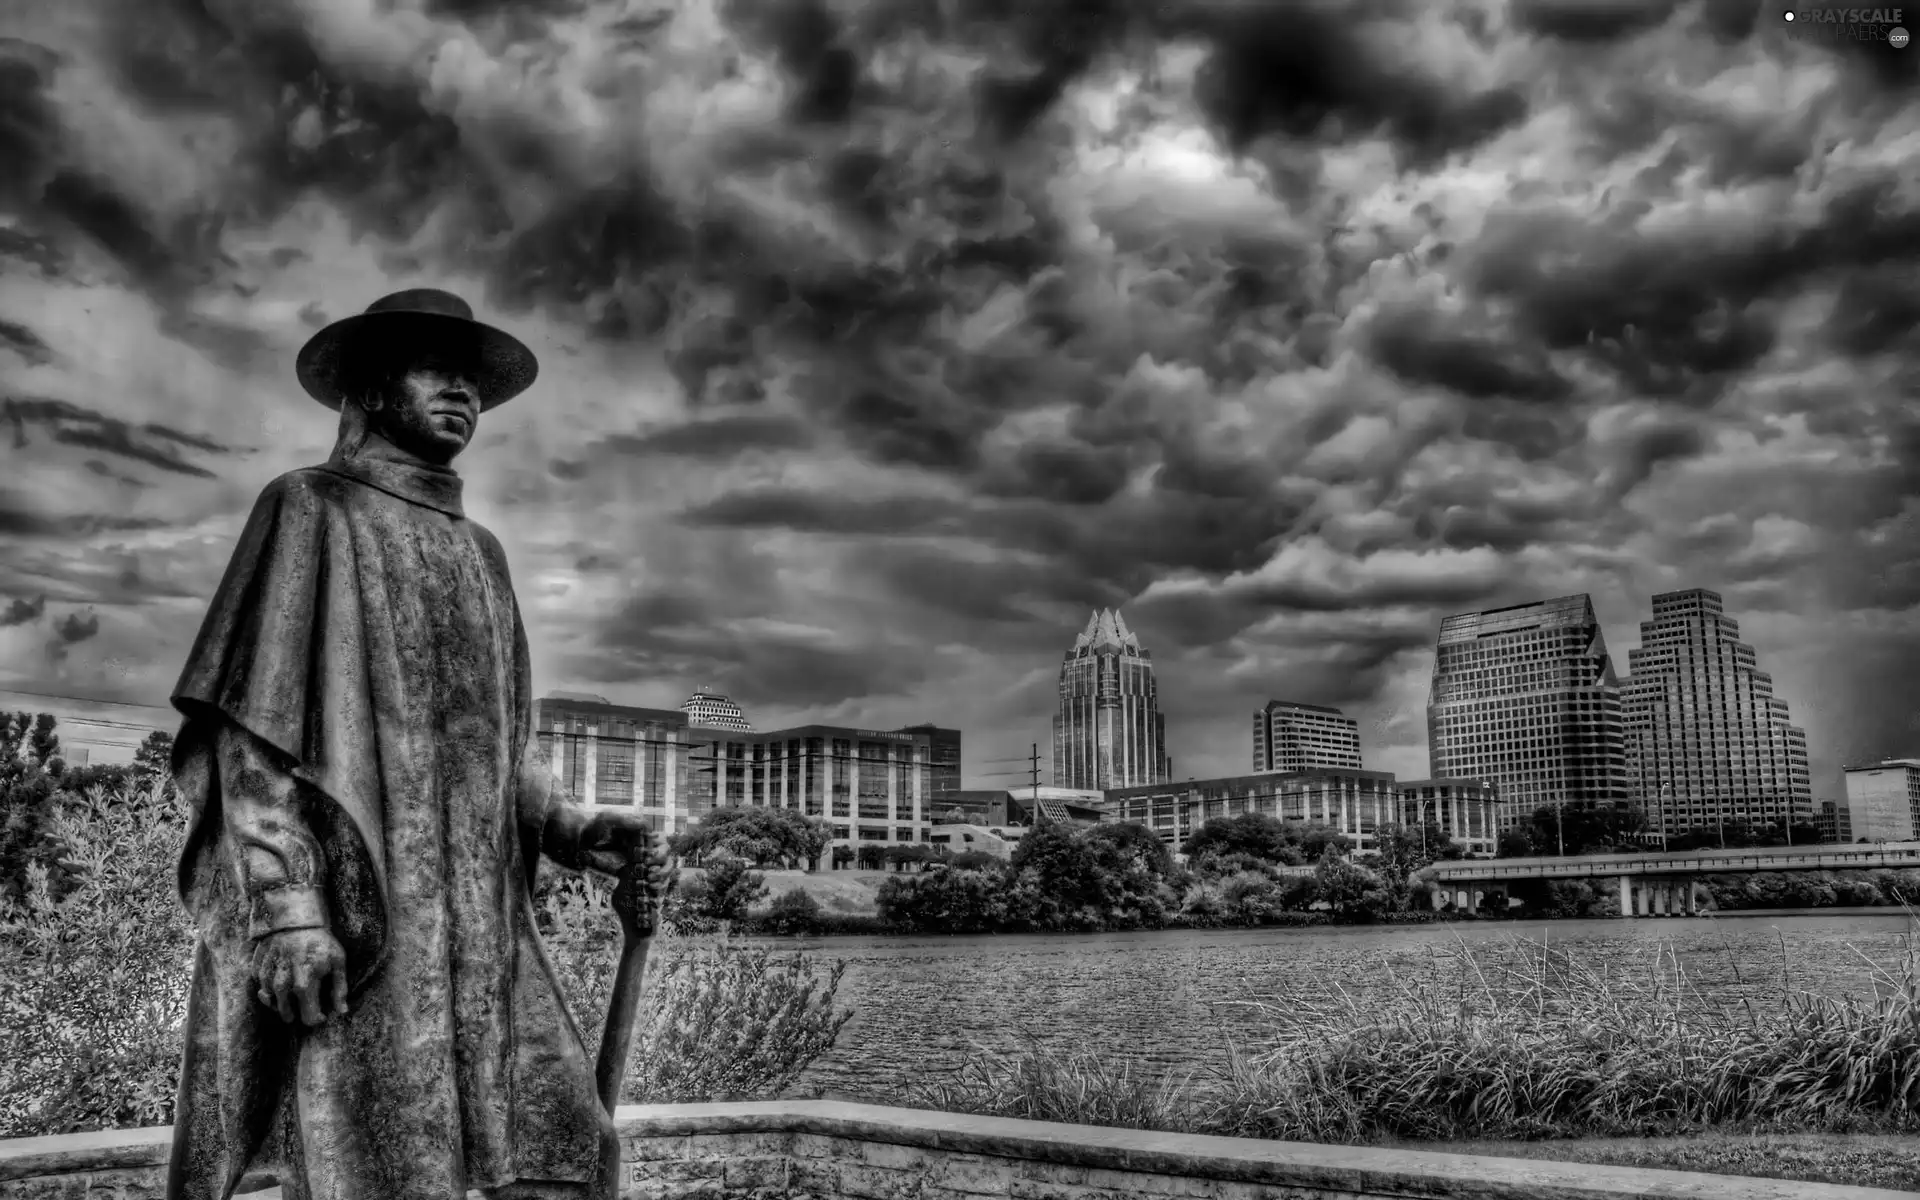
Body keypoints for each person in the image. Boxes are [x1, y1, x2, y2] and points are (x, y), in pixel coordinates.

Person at [165, 289, 659, 1200]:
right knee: (380, 1170)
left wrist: (574, 827)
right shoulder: (308, 509)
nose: (463, 393)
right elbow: (252, 744)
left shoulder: (484, 555)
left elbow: (502, 750)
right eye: (439, 370)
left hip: (486, 933)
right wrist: (289, 909)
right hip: (368, 929)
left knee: (567, 1153)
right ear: (371, 385)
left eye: (473, 380)